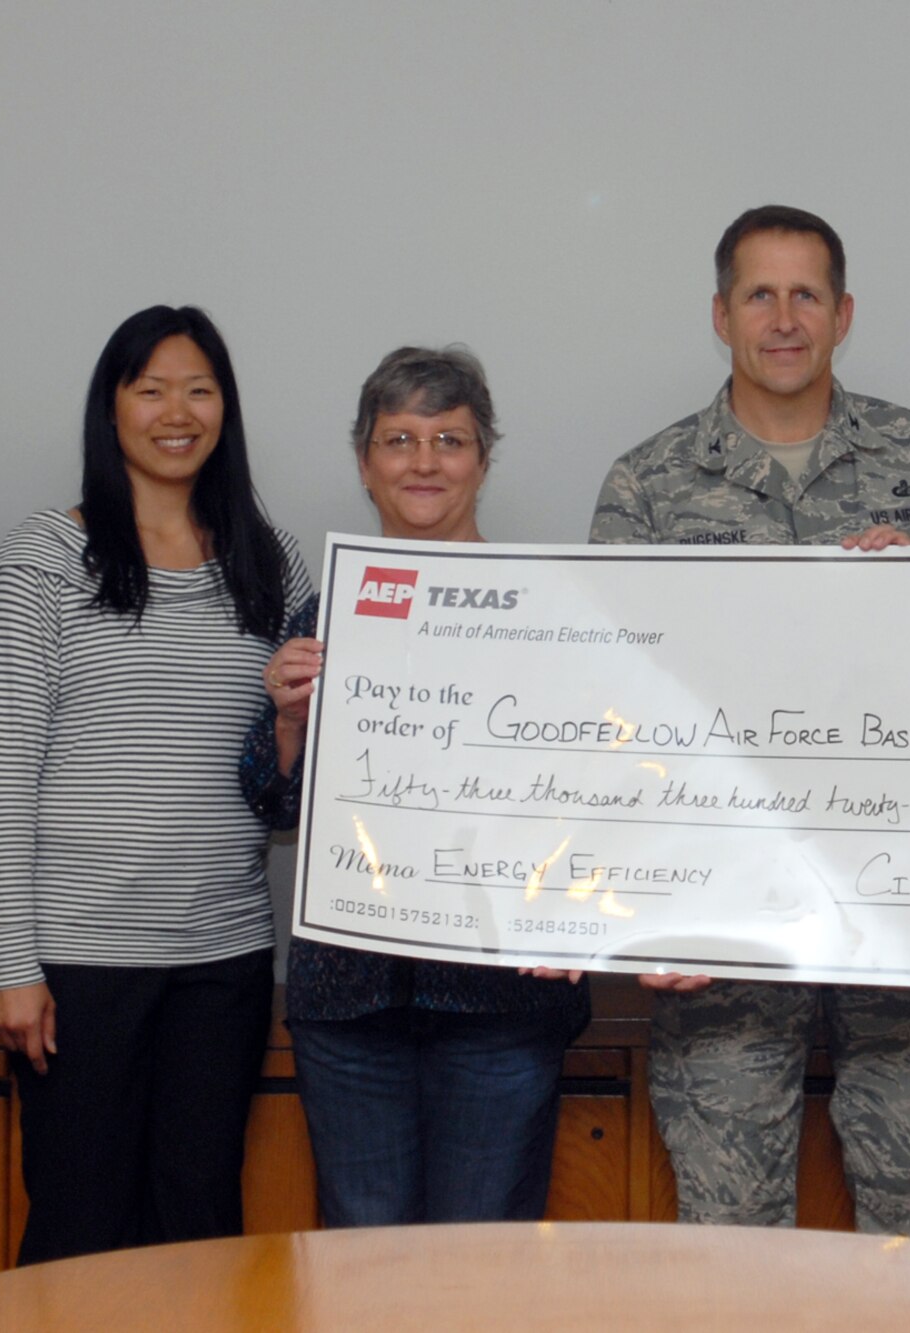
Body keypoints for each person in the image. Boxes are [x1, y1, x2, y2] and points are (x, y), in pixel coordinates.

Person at [590, 204, 910, 1238]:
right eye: (758, 294)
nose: (783, 318)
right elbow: (610, 717)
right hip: (722, 915)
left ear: (843, 312)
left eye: (804, 294)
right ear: (720, 315)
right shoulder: (647, 485)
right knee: (728, 1240)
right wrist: (637, 907)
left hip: (905, 906)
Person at [0, 305, 311, 1263]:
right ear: (111, 406)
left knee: (201, 1228)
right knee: (82, 1233)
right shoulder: (48, 555)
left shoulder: (270, 560)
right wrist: (14, 962)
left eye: (200, 389)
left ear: (226, 409)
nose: (178, 411)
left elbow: (278, 777)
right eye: (151, 387)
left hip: (225, 958)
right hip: (78, 967)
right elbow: (2, 763)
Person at [241, 345, 589, 1226]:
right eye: (399, 438)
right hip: (352, 1006)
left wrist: (593, 910)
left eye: (450, 439)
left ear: (483, 458)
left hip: (503, 1001)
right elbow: (271, 804)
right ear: (365, 462)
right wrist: (287, 720)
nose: (424, 461)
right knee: (363, 1275)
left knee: (483, 1275)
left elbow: (605, 794)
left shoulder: (553, 613)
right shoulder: (329, 614)